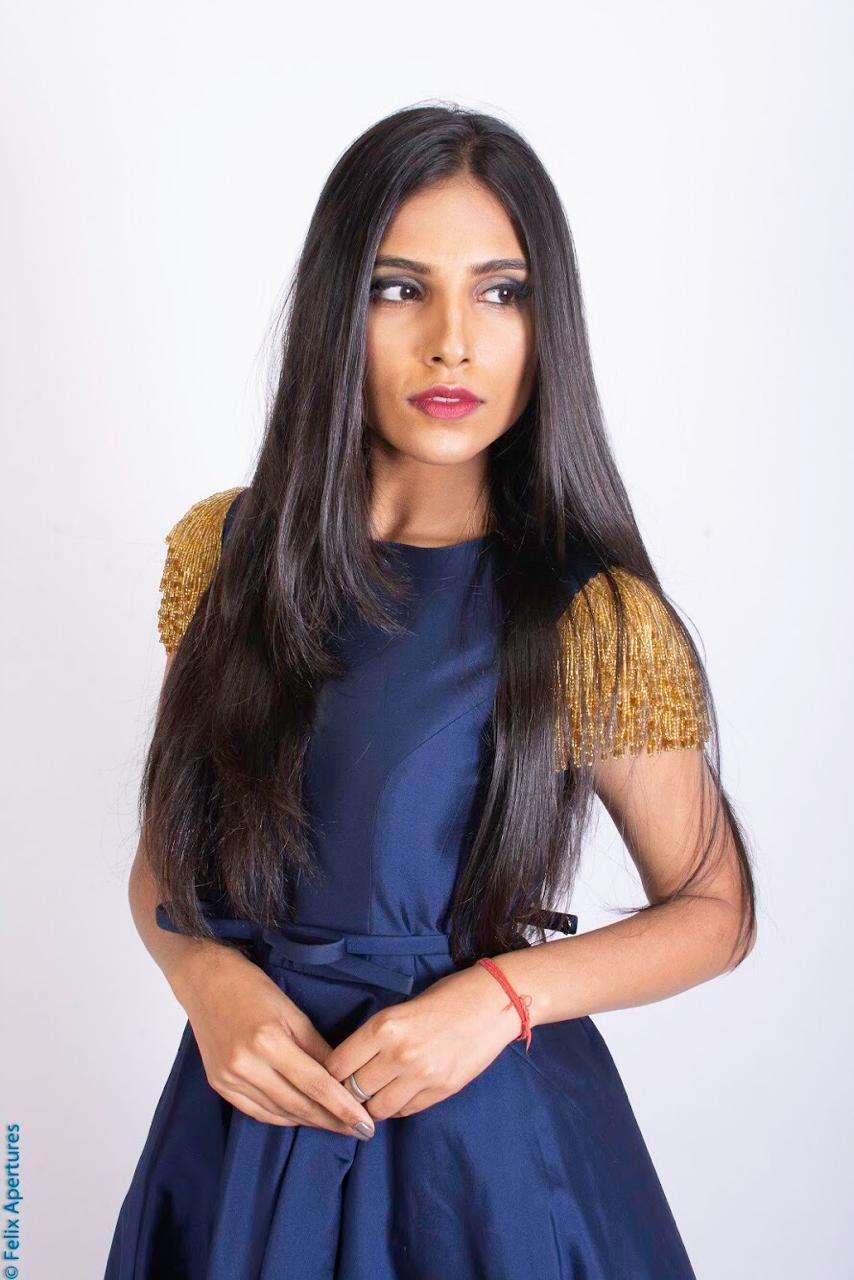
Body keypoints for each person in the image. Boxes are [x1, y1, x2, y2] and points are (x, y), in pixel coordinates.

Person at [104, 103, 757, 1279]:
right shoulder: (224, 554)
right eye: (399, 288)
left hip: (481, 1154)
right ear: (335, 311)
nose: (452, 342)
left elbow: (714, 908)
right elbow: (169, 849)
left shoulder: (589, 614)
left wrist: (498, 999)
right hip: (244, 1117)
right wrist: (204, 980)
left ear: (546, 326)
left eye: (500, 293)